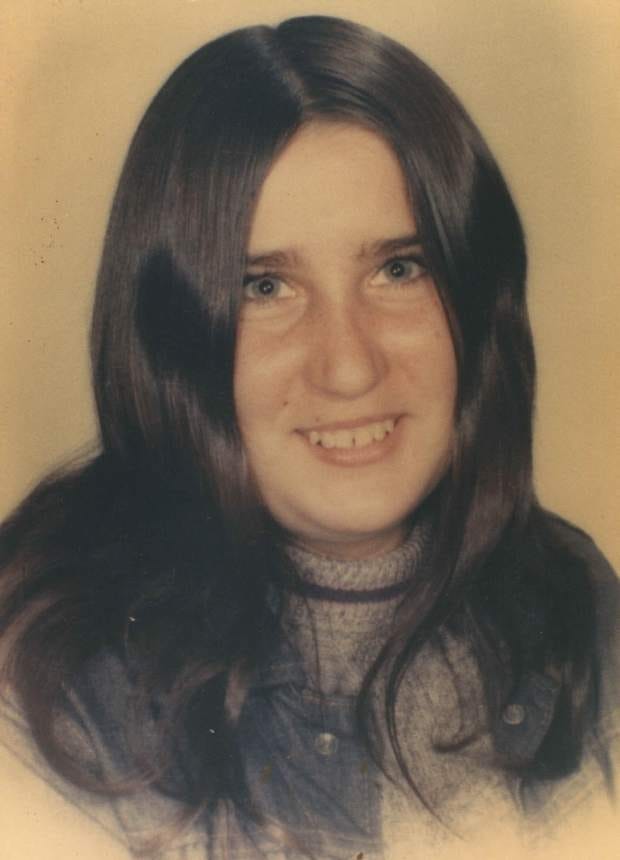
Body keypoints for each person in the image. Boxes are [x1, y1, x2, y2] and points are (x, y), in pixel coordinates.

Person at [0, 14, 617, 860]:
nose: (349, 368)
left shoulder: (579, 606)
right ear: (174, 338)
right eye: (264, 287)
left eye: (398, 269)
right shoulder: (43, 687)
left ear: (477, 308)